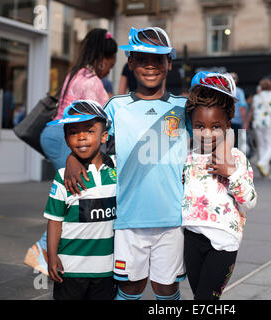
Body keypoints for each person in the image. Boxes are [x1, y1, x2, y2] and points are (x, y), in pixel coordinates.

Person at [64, 27, 187, 301]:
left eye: (158, 59)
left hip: (173, 220)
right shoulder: (116, 107)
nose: (151, 66)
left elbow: (214, 139)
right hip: (128, 219)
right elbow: (89, 138)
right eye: (142, 59)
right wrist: (73, 157)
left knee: (167, 289)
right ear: (130, 63)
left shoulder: (183, 107)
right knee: (130, 287)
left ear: (169, 63)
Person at [23, 28, 117, 276]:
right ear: (104, 58)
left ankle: (51, 249)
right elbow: (99, 121)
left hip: (53, 133)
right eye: (111, 64)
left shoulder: (75, 73)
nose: (109, 70)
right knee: (77, 189)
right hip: (67, 137)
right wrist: (72, 158)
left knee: (74, 191)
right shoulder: (93, 81)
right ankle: (42, 249)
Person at [182, 71, 257, 300]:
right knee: (200, 298)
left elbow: (251, 201)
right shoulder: (186, 158)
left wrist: (231, 173)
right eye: (199, 126)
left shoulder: (236, 158)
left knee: (206, 300)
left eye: (215, 126)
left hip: (224, 244)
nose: (206, 133)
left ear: (227, 124)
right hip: (192, 238)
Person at [43, 100, 117, 300]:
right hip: (70, 269)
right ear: (67, 139)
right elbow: (55, 220)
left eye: (89, 130)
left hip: (107, 270)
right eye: (74, 132)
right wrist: (51, 257)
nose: (82, 136)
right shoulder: (62, 177)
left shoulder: (117, 170)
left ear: (104, 136)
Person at [251, 78, 271, 179]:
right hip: (269, 122)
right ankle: (262, 162)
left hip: (257, 123)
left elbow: (252, 110)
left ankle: (265, 170)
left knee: (262, 145)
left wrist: (247, 122)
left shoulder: (256, 96)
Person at [229, 72, 248, 151]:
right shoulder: (239, 92)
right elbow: (242, 108)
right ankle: (239, 161)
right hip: (237, 121)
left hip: (226, 121)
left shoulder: (223, 91)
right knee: (239, 145)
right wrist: (245, 122)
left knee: (229, 144)